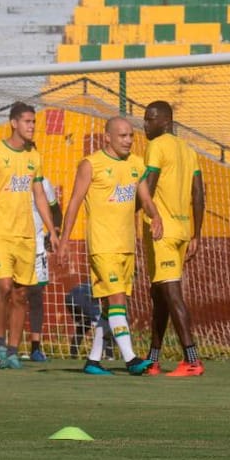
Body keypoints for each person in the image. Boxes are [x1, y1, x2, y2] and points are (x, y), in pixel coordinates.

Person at [57, 115, 163, 376]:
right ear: (107, 137)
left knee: (112, 307)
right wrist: (64, 240)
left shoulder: (136, 163)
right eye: (122, 136)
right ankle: (131, 359)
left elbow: (145, 199)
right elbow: (74, 202)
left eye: (131, 136)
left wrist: (156, 216)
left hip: (127, 245)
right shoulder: (91, 164)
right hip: (102, 246)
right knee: (116, 300)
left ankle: (93, 362)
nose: (128, 140)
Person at [0, 102, 60, 370]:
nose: (32, 126)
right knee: (4, 287)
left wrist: (51, 230)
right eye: (27, 121)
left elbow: (39, 195)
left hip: (26, 236)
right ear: (13, 123)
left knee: (22, 294)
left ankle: (12, 351)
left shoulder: (34, 156)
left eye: (33, 122)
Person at [142, 100, 206, 377]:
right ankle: (153, 360)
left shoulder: (157, 146)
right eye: (145, 119)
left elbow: (148, 186)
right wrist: (197, 234)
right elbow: (198, 194)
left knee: (172, 294)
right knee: (160, 296)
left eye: (150, 119)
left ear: (165, 122)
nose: (145, 124)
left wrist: (126, 210)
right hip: (181, 230)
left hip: (162, 231)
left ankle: (192, 359)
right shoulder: (188, 150)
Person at [0, 180, 61, 362]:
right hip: (5, 242)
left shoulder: (42, 182)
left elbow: (56, 211)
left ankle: (34, 348)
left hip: (35, 246)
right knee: (2, 290)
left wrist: (55, 231)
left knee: (34, 294)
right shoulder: (1, 177)